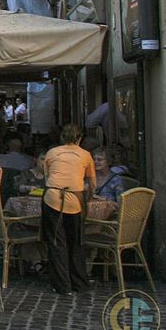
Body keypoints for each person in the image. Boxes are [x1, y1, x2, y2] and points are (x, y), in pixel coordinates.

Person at [41, 124, 96, 295]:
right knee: (76, 242)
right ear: (79, 139)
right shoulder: (86, 155)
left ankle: (62, 285)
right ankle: (79, 282)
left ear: (62, 138)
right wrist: (90, 197)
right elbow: (93, 184)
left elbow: (47, 177)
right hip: (75, 200)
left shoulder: (51, 153)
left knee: (57, 242)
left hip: (52, 197)